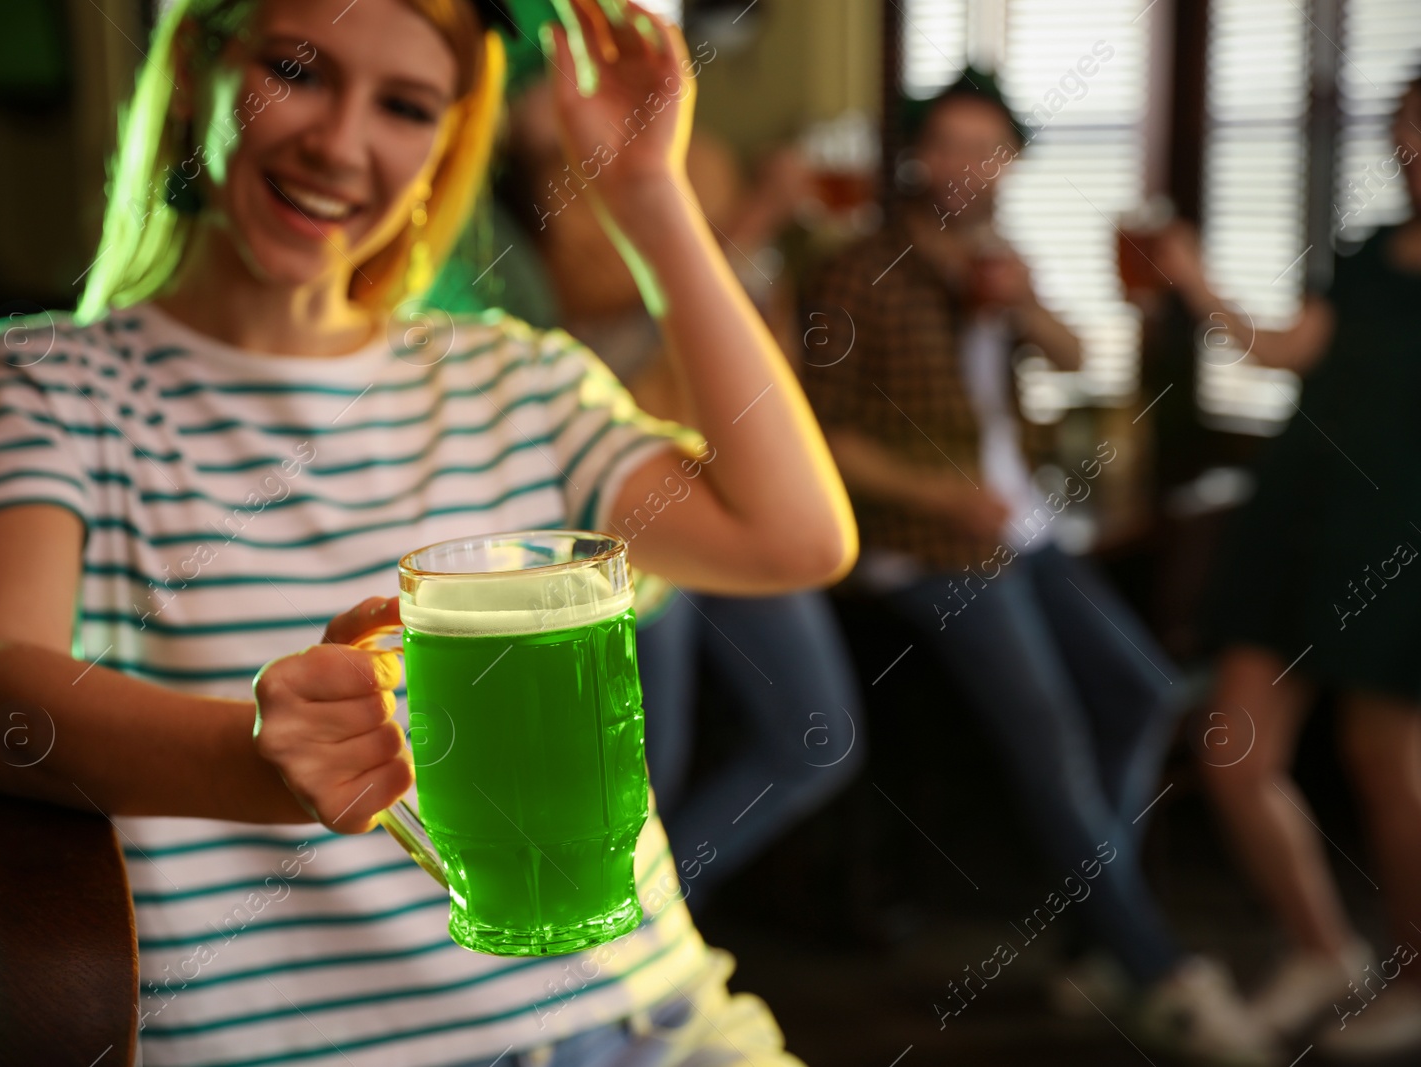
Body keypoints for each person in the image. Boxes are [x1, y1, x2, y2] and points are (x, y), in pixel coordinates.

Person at [0, 2, 857, 1066]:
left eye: (406, 106)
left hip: (646, 1019)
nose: (340, 141)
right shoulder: (45, 376)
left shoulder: (514, 373)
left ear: (443, 148)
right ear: (196, 69)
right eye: (298, 70)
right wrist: (261, 760)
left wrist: (648, 195)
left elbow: (795, 538)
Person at [799, 68, 1273, 1065]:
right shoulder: (858, 267)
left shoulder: (994, 260)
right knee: (1051, 738)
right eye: (946, 145)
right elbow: (818, 432)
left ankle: (1092, 933)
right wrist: (938, 496)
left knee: (1142, 692)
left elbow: (1064, 353)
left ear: (1008, 162)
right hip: (919, 545)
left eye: (985, 147)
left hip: (1018, 528)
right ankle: (1160, 968)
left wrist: (1017, 305)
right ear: (917, 158)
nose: (963, 165)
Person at [504, 76, 864, 907]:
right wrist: (753, 219)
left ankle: (650, 911)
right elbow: (600, 312)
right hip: (629, 505)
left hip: (733, 490)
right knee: (642, 780)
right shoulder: (541, 179)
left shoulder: (698, 151)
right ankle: (622, 938)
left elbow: (735, 314)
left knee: (819, 737)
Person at [1152, 72, 1421, 1059]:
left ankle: (1414, 976)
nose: (1411, 146)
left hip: (1400, 544)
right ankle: (1321, 946)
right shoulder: (1362, 257)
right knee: (1233, 748)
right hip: (1297, 523)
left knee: (1388, 767)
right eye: (1403, 127)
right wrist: (1193, 284)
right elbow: (1286, 349)